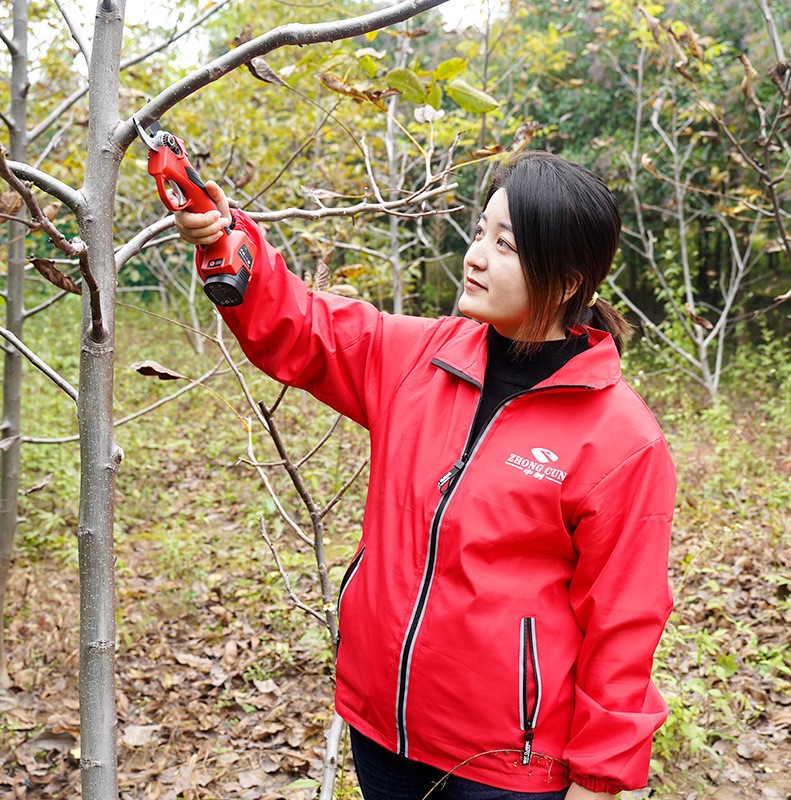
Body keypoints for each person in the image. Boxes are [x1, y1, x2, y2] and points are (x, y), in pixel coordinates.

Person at [174, 151, 676, 800]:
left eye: (505, 245)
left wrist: (599, 780)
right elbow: (303, 327)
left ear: (567, 281)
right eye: (480, 232)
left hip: (506, 769)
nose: (475, 256)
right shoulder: (420, 358)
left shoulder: (621, 439)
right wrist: (225, 242)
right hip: (384, 734)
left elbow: (624, 622)